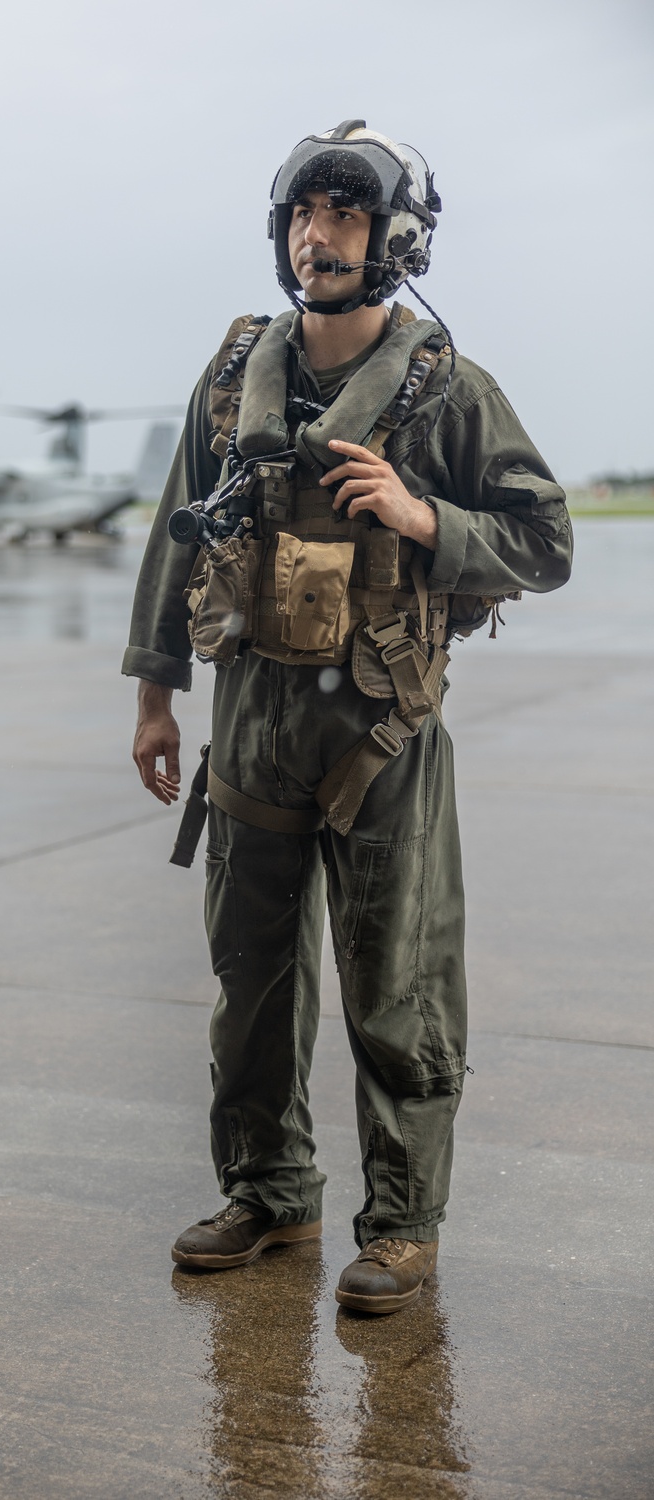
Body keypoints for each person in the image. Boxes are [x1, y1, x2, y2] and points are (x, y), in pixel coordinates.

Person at [123, 121, 572, 1315]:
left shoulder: (447, 391)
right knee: (250, 983)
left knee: (398, 987)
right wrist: (155, 695)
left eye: (345, 215)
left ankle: (402, 1225)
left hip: (382, 735)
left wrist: (425, 519)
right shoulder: (234, 378)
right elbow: (176, 532)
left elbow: (544, 540)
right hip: (252, 720)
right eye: (303, 215)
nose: (316, 238)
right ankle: (269, 1192)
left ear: (395, 238)